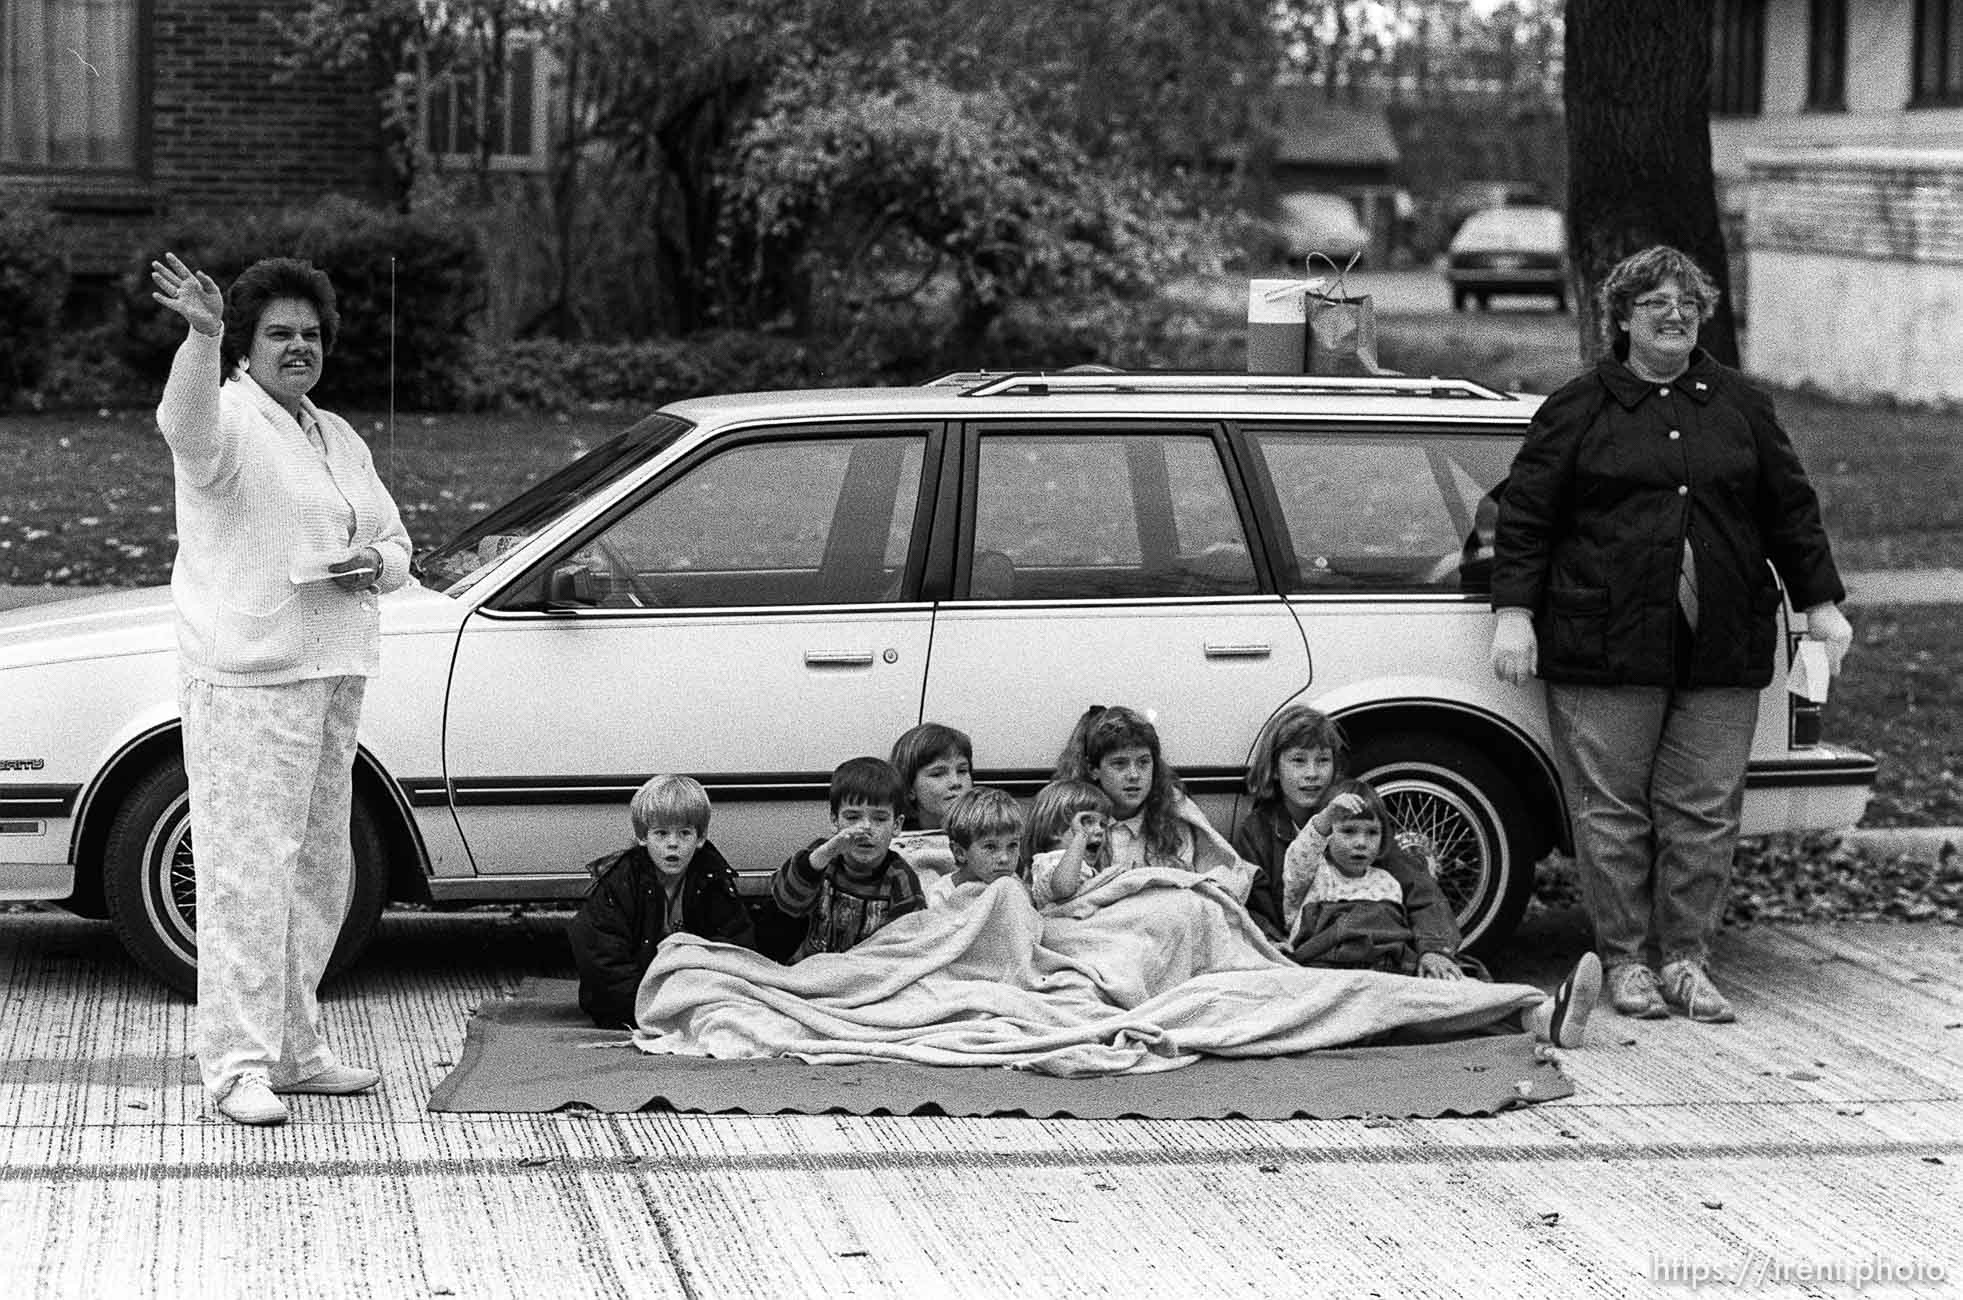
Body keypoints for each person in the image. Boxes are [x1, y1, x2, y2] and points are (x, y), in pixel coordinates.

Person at [1489, 244, 1854, 1025]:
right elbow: (1524, 519)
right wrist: (1512, 613)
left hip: (1720, 640)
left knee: (1703, 809)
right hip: (1602, 644)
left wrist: (1820, 603)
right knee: (1610, 809)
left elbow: (1789, 509)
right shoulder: (1577, 407)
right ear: (1620, 317)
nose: (1675, 314)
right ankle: (1626, 962)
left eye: (1687, 303)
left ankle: (1686, 961)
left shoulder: (1740, 405)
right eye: (1656, 302)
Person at [149, 252, 412, 1126]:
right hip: (250, 678)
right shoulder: (225, 419)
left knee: (318, 870)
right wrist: (202, 331)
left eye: (309, 334)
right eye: (278, 333)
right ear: (248, 347)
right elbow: (180, 426)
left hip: (332, 669)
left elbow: (396, 541)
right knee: (246, 878)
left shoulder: (335, 433)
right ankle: (236, 1068)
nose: (297, 346)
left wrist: (375, 561)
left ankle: (296, 1049)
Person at [1233, 704, 1463, 950]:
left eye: (1323, 760)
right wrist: (1269, 943)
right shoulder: (1257, 830)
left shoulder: (1355, 814)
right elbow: (1250, 905)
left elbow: (1419, 888)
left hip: (1370, 944)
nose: (1312, 773)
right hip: (1305, 950)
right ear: (1275, 769)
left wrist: (1435, 949)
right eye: (1298, 761)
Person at [568, 775, 757, 1028]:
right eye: (661, 833)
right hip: (629, 1002)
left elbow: (736, 947)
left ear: (700, 838)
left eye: (685, 833)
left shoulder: (713, 878)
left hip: (696, 995)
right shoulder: (620, 882)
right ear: (642, 836)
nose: (673, 843)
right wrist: (649, 1005)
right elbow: (601, 956)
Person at [1052, 704, 1255, 901]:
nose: (1134, 775)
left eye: (1143, 762)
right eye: (1119, 764)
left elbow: (1188, 886)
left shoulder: (1171, 817)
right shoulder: (1075, 819)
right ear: (1093, 769)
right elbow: (1060, 891)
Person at [1279, 780, 1467, 977]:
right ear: (1328, 834)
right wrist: (1326, 818)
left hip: (1380, 968)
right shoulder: (1314, 873)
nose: (1361, 842)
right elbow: (1300, 856)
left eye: (1372, 832)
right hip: (1324, 966)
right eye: (1348, 831)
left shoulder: (1387, 881)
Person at [771, 757, 926, 960]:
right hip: (808, 967)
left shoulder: (900, 877)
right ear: (835, 820)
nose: (865, 829)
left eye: (879, 819)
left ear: (897, 825)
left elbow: (909, 944)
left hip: (867, 975)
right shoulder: (822, 856)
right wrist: (822, 856)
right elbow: (787, 903)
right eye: (852, 818)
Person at [887, 722, 974, 889]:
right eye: (938, 774)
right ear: (909, 788)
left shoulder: (993, 837)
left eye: (962, 771)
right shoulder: (890, 848)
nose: (956, 782)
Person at [1023, 779, 1116, 908]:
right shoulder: (1052, 862)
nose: (1100, 830)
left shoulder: (1085, 868)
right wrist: (1080, 836)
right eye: (1087, 822)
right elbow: (1064, 887)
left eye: (1103, 824)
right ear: (1054, 829)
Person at [940, 787, 1027, 895]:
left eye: (1012, 845)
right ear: (960, 852)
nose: (1004, 858)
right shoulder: (942, 895)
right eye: (990, 847)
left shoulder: (1017, 886)